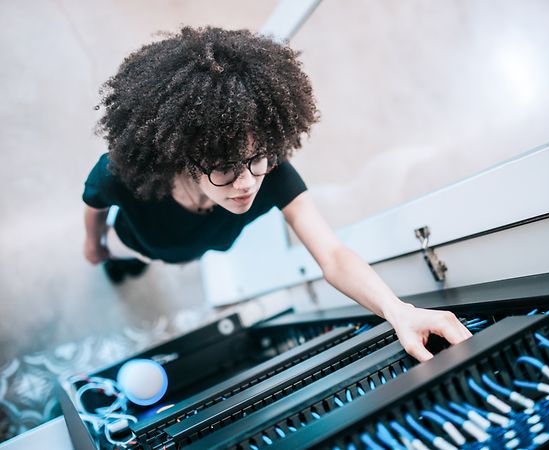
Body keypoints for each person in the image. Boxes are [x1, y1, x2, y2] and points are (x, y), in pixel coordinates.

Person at [83, 26, 471, 362]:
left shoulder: (274, 175)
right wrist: (93, 244)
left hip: (201, 245)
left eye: (257, 159)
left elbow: (333, 256)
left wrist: (397, 310)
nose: (248, 183)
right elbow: (94, 201)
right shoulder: (125, 174)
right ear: (181, 160)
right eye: (224, 169)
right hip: (140, 240)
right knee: (126, 259)